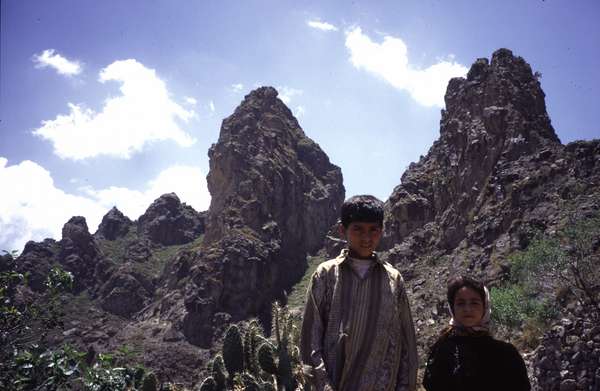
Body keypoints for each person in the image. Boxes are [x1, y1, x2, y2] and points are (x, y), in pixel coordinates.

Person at [300, 195, 418, 391]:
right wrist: (324, 385)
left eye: (373, 230)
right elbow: (311, 338)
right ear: (343, 230)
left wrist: (405, 386)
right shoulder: (326, 275)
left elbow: (406, 342)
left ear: (382, 231)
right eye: (358, 229)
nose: (366, 237)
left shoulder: (393, 279)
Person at [423, 276, 531, 391]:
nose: (467, 309)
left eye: (474, 303)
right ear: (452, 308)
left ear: (485, 306)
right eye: (460, 303)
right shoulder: (442, 350)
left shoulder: (506, 353)